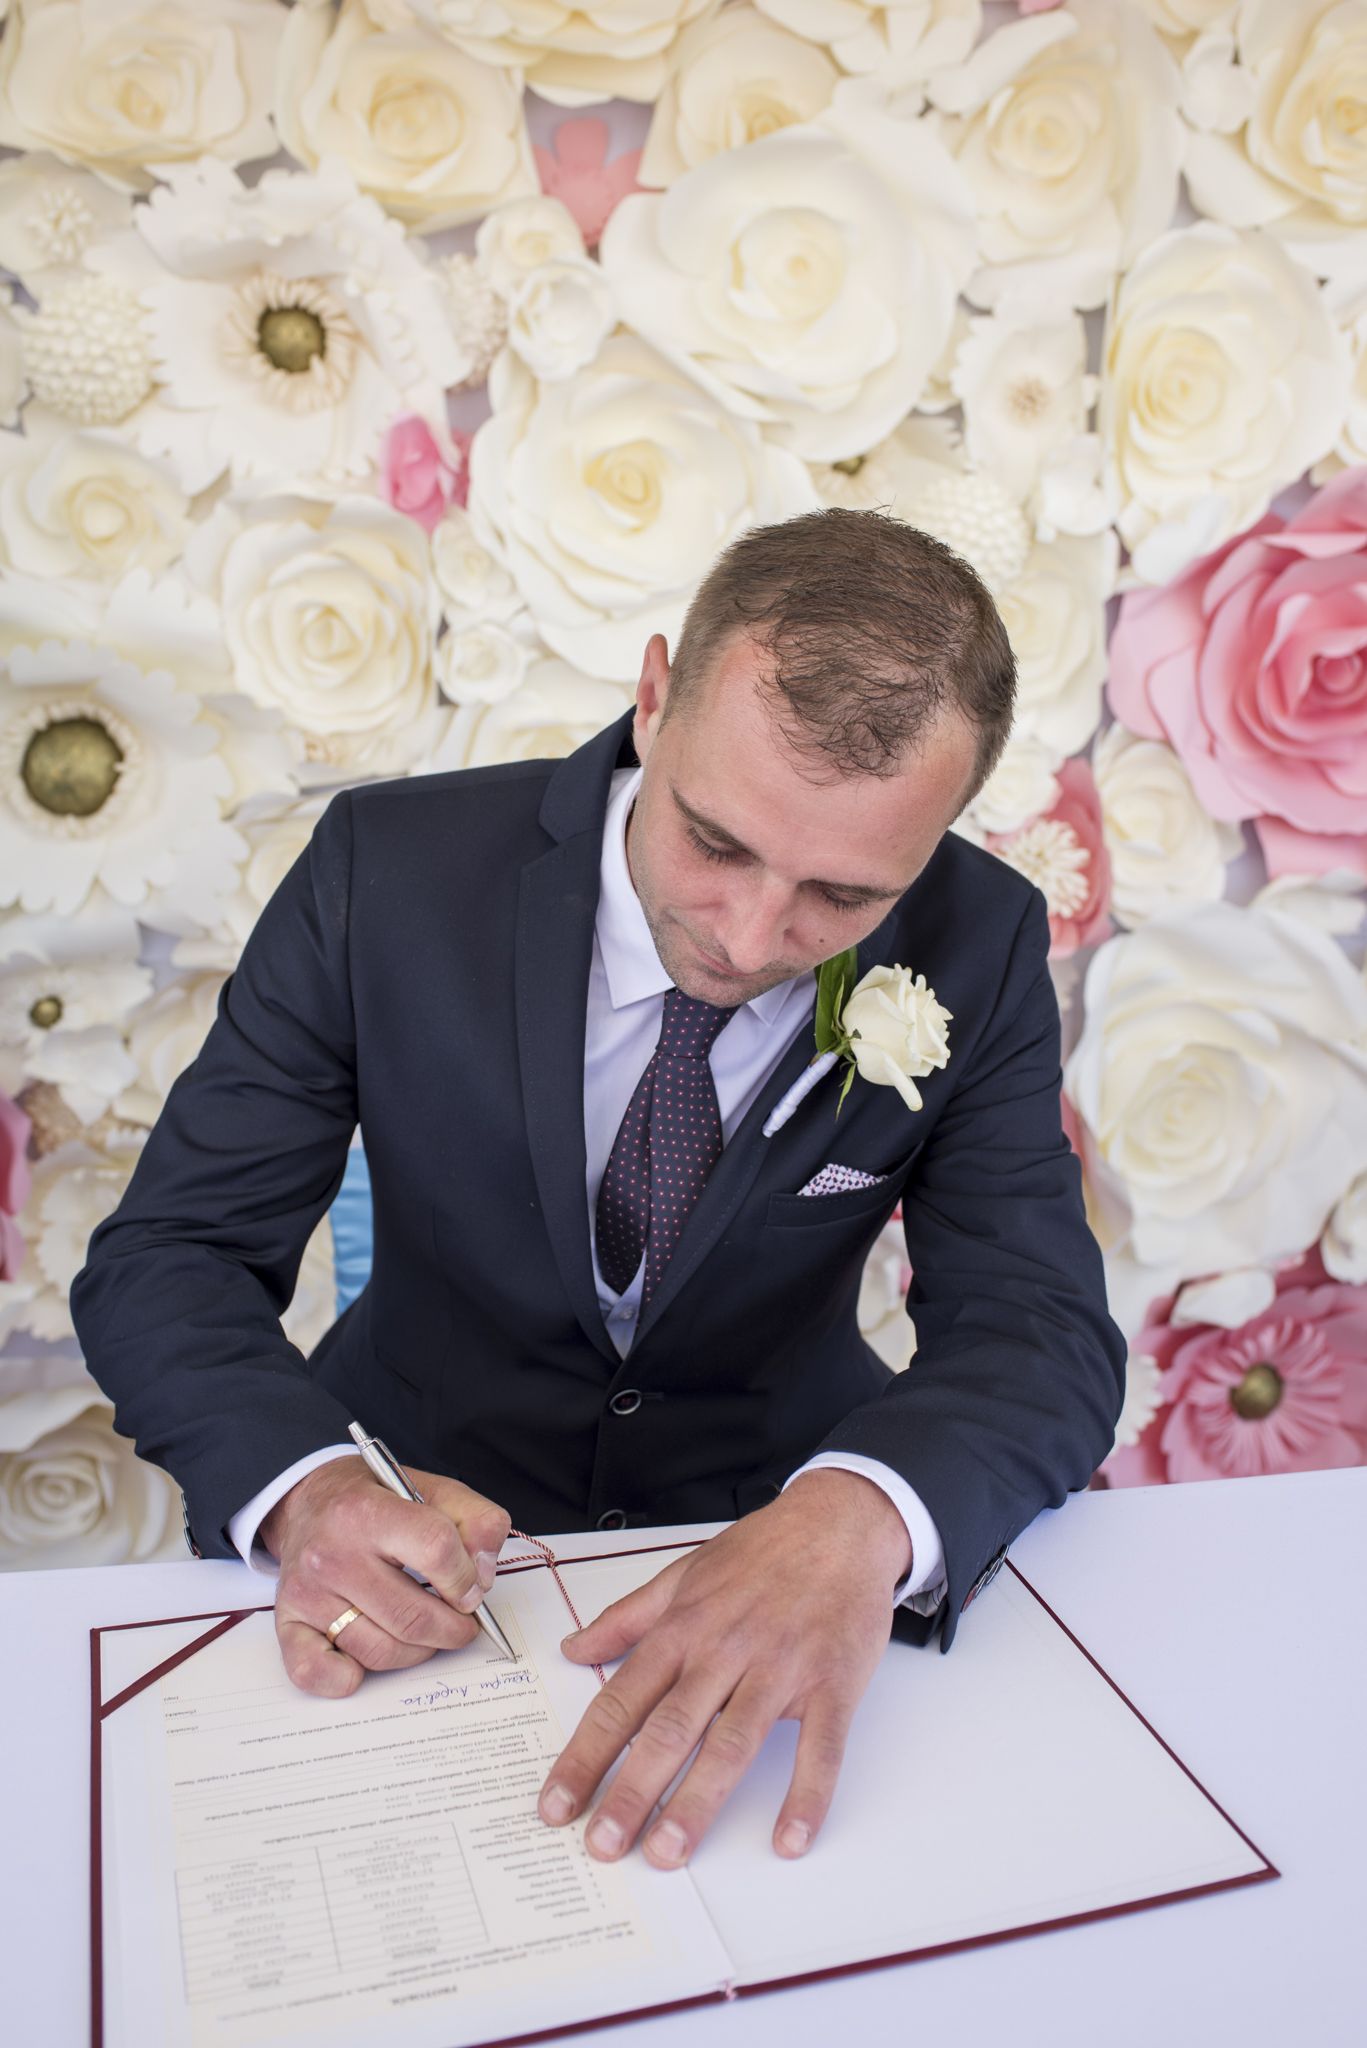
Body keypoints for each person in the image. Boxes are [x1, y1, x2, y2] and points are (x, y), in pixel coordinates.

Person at [71, 507, 1126, 1878]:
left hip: (782, 1530)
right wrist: (313, 1492)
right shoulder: (386, 871)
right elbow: (171, 1257)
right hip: (415, 1540)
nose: (751, 937)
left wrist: (858, 1519)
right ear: (654, 695)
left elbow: (1040, 1329)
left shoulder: (980, 940)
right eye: (717, 842)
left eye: (842, 896)